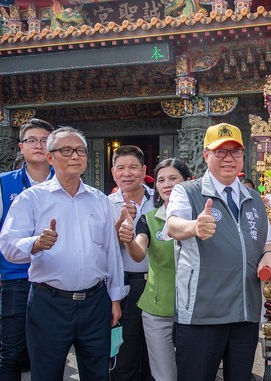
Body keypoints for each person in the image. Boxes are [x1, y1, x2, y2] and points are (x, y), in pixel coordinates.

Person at [0, 126, 126, 380]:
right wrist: (36, 243)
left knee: (98, 373)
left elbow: (110, 253)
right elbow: (9, 246)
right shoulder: (31, 199)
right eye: (66, 150)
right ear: (50, 158)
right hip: (50, 303)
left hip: (95, 302)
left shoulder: (100, 200)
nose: (75, 156)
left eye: (80, 151)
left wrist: (115, 297)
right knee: (46, 373)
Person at [165, 123, 271, 381]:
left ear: (242, 156)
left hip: (244, 312)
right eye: (220, 152)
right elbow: (173, 225)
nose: (228, 158)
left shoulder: (253, 198)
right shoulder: (188, 192)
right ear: (206, 155)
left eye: (235, 152)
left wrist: (270, 256)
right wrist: (194, 226)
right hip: (202, 313)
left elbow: (267, 243)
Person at [0, 118, 55, 381]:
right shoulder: (3, 182)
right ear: (21, 147)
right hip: (15, 277)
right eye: (32, 140)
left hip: (54, 278)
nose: (38, 145)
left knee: (48, 351)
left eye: (45, 141)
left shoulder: (66, 180)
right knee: (11, 350)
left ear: (53, 148)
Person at [118, 158, 193, 381]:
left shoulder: (202, 218)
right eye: (161, 180)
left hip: (197, 309)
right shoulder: (149, 219)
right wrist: (129, 239)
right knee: (164, 375)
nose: (166, 184)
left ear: (188, 182)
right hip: (158, 309)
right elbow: (139, 252)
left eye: (173, 178)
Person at [108, 145, 154, 381]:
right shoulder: (105, 203)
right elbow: (101, 250)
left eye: (133, 167)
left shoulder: (159, 200)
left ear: (144, 170)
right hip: (122, 285)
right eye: (121, 168)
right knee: (124, 354)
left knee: (153, 354)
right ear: (113, 172)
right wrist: (120, 222)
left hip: (155, 285)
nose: (127, 173)